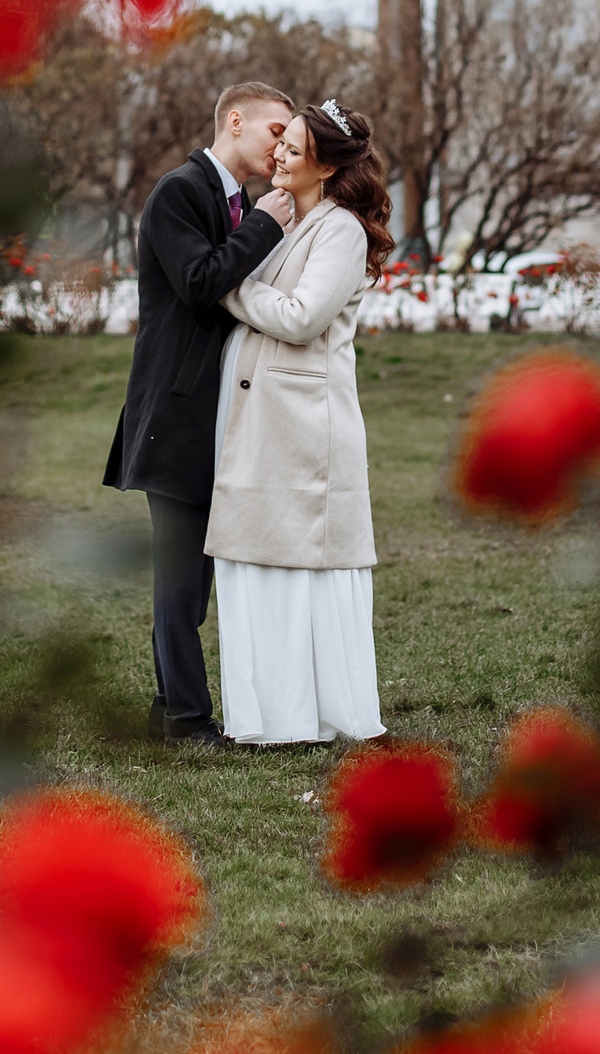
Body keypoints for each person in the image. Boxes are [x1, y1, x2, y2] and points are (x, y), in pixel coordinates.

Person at [102, 82, 298, 745]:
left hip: (219, 418)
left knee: (194, 582)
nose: (281, 146)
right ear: (233, 121)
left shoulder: (236, 200)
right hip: (175, 415)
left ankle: (168, 711)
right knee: (182, 584)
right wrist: (267, 226)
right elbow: (200, 282)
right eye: (276, 130)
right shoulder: (178, 192)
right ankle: (187, 720)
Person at [208, 99, 395, 746]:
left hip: (304, 427)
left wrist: (228, 284)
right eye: (281, 144)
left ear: (325, 164)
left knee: (299, 561)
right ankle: (268, 714)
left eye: (295, 148)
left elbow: (300, 316)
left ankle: (307, 713)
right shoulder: (293, 220)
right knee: (259, 558)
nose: (280, 154)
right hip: (268, 423)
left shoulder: (340, 230)